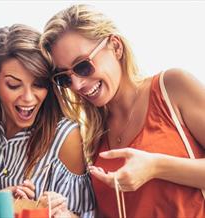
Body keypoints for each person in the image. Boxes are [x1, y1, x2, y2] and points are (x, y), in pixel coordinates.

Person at [40, 4, 205, 218]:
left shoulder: (171, 87)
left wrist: (157, 166)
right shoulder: (93, 138)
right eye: (65, 78)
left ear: (115, 47)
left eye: (82, 66)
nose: (78, 84)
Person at [0, 24, 94, 217]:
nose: (29, 98)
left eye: (38, 84)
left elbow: (86, 213)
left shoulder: (65, 137)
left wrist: (62, 213)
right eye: (13, 85)